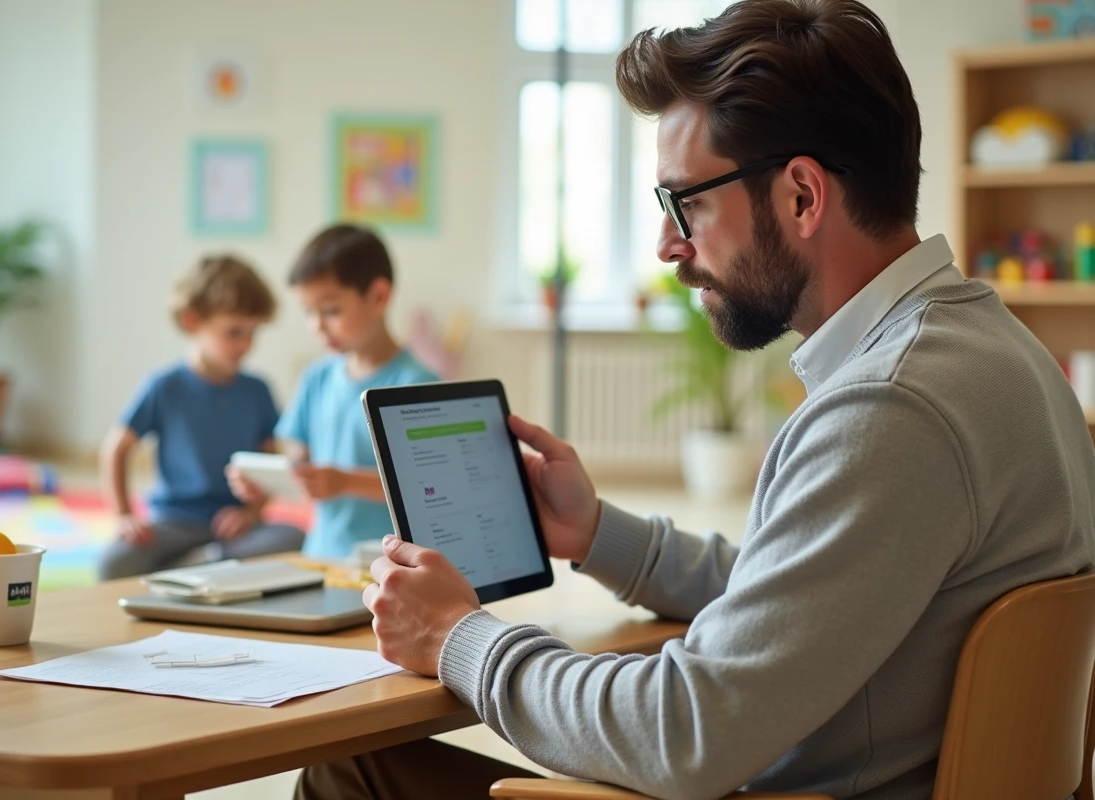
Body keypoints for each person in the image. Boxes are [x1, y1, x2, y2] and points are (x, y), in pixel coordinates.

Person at [295, 1, 1095, 798]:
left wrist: (457, 637)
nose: (666, 246)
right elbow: (798, 597)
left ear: (803, 196)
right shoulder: (998, 353)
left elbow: (685, 733)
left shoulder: (890, 408)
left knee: (354, 771)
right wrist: (597, 533)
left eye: (687, 204)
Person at [230, 224, 438, 560]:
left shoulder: (416, 383)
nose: (317, 325)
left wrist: (345, 482)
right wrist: (266, 483)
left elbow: (427, 487)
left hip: (389, 565)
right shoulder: (317, 378)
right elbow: (300, 462)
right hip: (321, 555)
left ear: (378, 297)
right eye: (308, 312)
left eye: (330, 311)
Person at [97, 255, 303, 580]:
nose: (246, 345)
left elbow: (269, 462)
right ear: (193, 321)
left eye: (253, 333)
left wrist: (249, 513)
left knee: (294, 539)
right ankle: (206, 567)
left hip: (234, 531)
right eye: (234, 332)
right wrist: (124, 516)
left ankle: (190, 568)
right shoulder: (164, 386)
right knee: (114, 563)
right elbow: (116, 449)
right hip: (173, 524)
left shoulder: (258, 391)